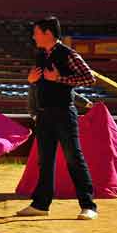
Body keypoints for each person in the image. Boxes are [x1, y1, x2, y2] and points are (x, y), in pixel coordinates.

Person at [17, 17, 98, 220]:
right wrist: (31, 81)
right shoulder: (41, 54)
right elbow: (39, 83)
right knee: (45, 161)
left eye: (36, 32)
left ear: (48, 34)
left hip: (63, 112)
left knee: (73, 158)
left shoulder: (68, 54)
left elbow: (90, 78)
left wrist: (60, 78)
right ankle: (41, 204)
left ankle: (89, 205)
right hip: (44, 114)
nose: (33, 36)